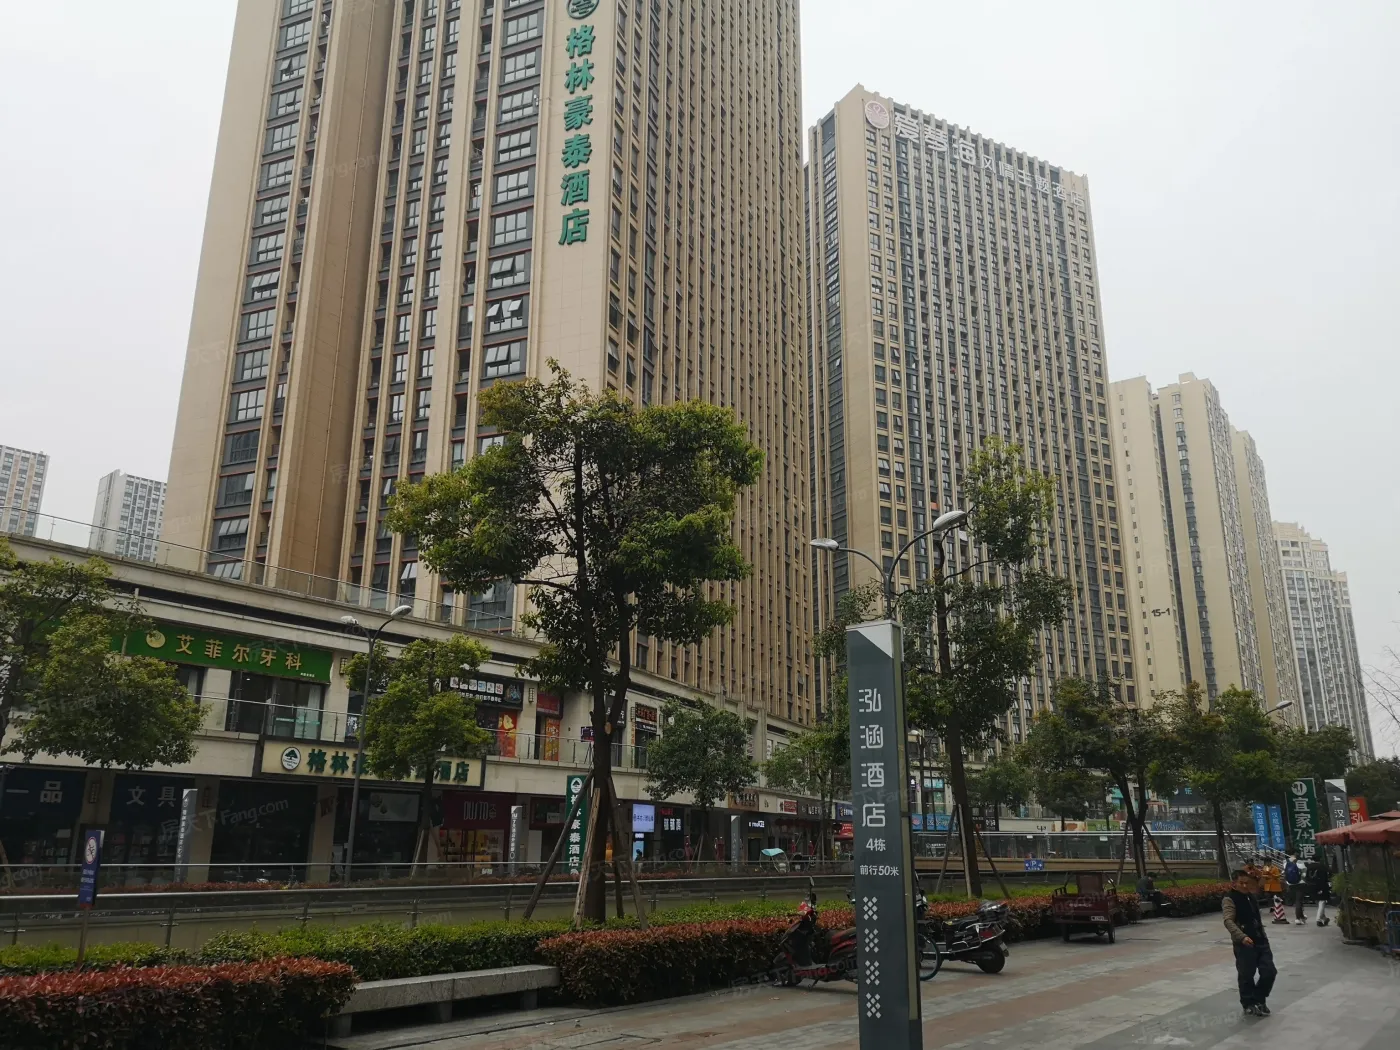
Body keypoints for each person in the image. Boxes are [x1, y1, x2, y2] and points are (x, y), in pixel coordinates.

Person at [1223, 868, 1276, 1017]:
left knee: (1269, 971)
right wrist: (1241, 937)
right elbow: (1228, 921)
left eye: (1247, 883)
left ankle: (1259, 998)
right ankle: (1248, 1003)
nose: (1245, 886)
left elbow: (1256, 918)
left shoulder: (1251, 897)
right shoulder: (1229, 899)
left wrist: (1263, 934)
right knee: (1246, 975)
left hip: (1260, 940)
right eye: (1241, 883)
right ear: (1234, 883)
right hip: (1244, 943)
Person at [1305, 856, 1332, 926]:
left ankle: (1324, 918)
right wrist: (1322, 888)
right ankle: (1318, 919)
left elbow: (1306, 878)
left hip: (1311, 887)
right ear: (1320, 859)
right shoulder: (1322, 866)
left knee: (1319, 903)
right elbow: (1324, 878)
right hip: (1321, 887)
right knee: (1322, 902)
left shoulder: (1309, 867)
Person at [1283, 853, 1305, 924]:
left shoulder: (1285, 862)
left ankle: (1302, 916)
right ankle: (1297, 919)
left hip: (1290, 884)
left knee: (1297, 901)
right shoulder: (1300, 862)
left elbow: (1284, 874)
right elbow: (1304, 874)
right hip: (1300, 884)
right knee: (1299, 901)